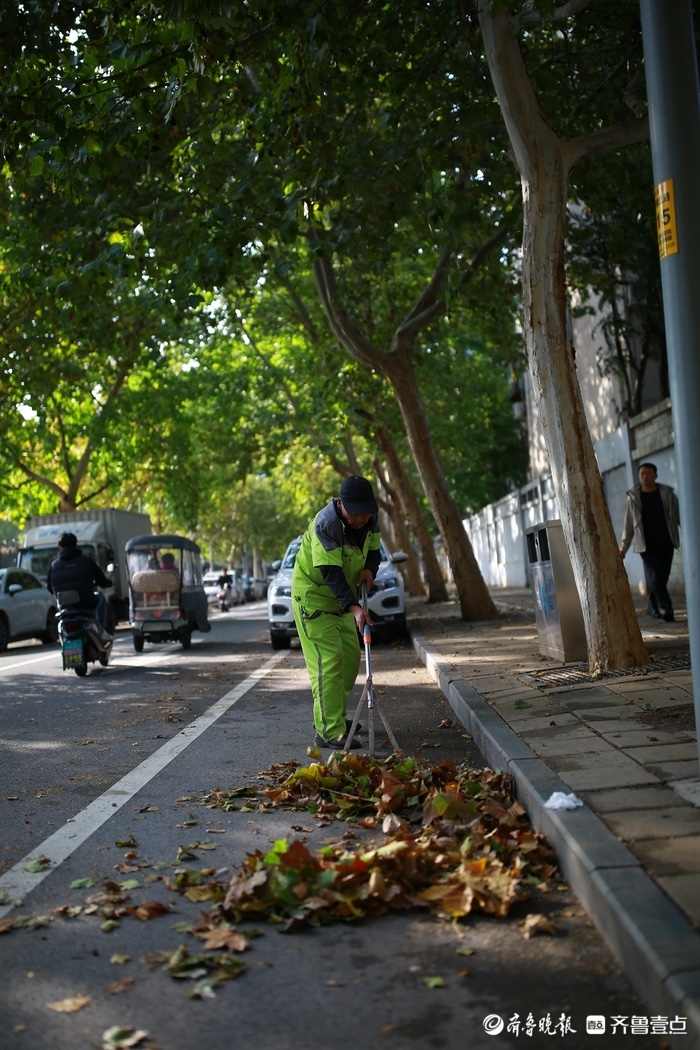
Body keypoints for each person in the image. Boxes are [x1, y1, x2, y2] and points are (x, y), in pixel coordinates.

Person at [292, 475, 382, 749]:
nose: (361, 519)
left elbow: (375, 552)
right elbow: (330, 572)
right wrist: (355, 608)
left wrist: (370, 569)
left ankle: (336, 719)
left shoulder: (370, 518)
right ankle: (329, 731)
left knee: (350, 659)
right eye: (356, 514)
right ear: (341, 504)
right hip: (315, 600)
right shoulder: (326, 524)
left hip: (342, 601)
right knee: (329, 661)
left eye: (366, 513)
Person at [620, 462, 680, 622]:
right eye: (642, 474)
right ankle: (666, 607)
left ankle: (652, 606)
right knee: (655, 575)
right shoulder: (633, 498)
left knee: (663, 577)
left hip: (667, 542)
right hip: (646, 546)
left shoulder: (667, 494)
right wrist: (624, 547)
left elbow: (680, 515)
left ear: (656, 475)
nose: (644, 477)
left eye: (648, 473)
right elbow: (628, 525)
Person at [47, 532, 113, 634]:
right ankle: (102, 630)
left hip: (64, 606)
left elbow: (49, 588)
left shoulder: (54, 565)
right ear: (76, 545)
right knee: (100, 596)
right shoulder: (86, 561)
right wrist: (109, 583)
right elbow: (102, 581)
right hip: (86, 604)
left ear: (60, 547)